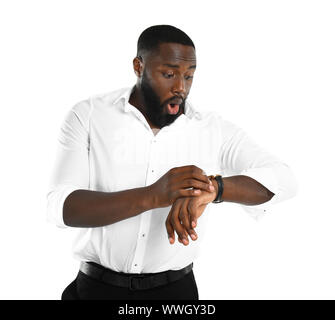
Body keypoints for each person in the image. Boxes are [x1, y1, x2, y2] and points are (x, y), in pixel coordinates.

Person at [46, 25, 297, 300]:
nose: (181, 87)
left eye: (189, 76)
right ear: (138, 66)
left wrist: (213, 189)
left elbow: (284, 180)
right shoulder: (90, 116)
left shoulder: (212, 129)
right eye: (169, 74)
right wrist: (154, 195)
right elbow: (61, 206)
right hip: (95, 290)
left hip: (176, 294)